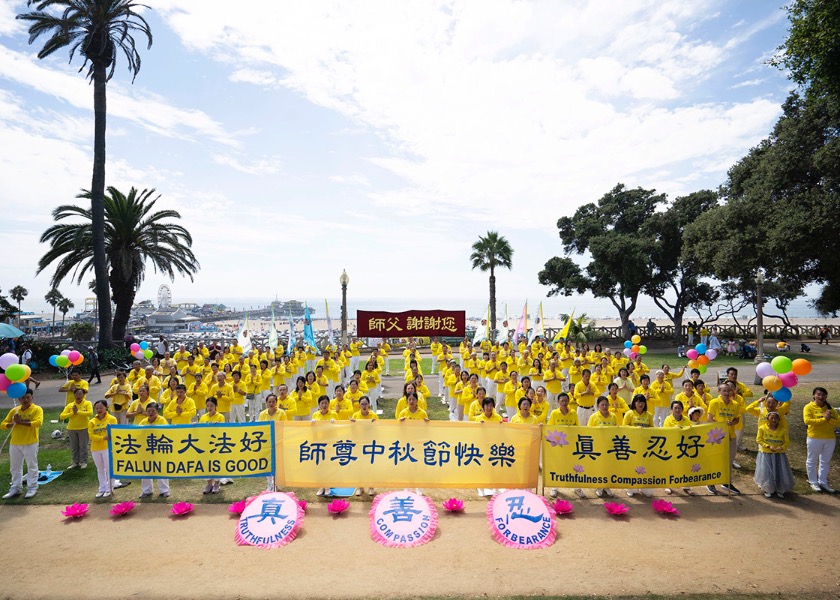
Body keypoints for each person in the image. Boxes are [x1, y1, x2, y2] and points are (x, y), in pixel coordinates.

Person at [1, 388, 42, 499]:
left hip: (30, 442)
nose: (25, 400)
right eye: (23, 398)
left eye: (28, 397)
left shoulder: (37, 409)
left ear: (32, 398)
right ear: (19, 399)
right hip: (15, 443)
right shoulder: (15, 410)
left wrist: (21, 422)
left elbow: (37, 423)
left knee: (32, 466)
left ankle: (32, 487)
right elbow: (3, 424)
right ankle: (16, 487)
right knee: (15, 467)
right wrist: (11, 423)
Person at [706, 383, 742, 495]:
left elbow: (737, 419)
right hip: (717, 438)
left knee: (729, 461)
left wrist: (732, 423)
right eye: (724, 391)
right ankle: (711, 482)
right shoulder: (714, 403)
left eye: (728, 391)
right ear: (719, 392)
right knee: (715, 460)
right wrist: (721, 425)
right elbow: (709, 419)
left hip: (731, 436)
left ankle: (726, 482)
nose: (726, 393)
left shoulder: (735, 404)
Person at [803, 386, 840, 493]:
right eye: (818, 394)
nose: (821, 397)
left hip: (829, 438)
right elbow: (808, 421)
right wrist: (824, 419)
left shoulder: (830, 409)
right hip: (814, 438)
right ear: (814, 395)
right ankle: (813, 482)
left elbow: (838, 422)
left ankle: (823, 482)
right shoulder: (808, 407)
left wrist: (829, 420)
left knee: (825, 461)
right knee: (812, 461)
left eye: (823, 395)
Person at [754, 412, 794, 499]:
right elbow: (759, 439)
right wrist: (767, 446)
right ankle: (768, 488)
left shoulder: (783, 431)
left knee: (779, 470)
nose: (773, 420)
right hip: (766, 453)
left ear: (778, 420)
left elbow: (786, 442)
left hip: (779, 454)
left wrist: (781, 447)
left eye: (776, 418)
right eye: (771, 418)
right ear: (768, 419)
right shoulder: (762, 428)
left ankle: (779, 488)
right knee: (767, 471)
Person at [663, 400, 695, 496]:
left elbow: (691, 431)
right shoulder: (668, 419)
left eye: (679, 408)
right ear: (672, 409)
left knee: (685, 466)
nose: (677, 410)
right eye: (675, 408)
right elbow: (666, 432)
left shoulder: (686, 420)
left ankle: (686, 487)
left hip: (684, 447)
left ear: (682, 409)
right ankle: (668, 485)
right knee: (671, 467)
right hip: (672, 446)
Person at [138, 403, 170, 499]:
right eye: (149, 411)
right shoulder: (143, 421)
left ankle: (164, 491)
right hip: (146, 449)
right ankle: (146, 490)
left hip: (159, 449)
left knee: (161, 469)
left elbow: (167, 432)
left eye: (153, 411)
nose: (151, 413)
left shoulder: (162, 420)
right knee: (146, 470)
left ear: (157, 411)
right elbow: (136, 433)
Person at [587, 396, 616, 498]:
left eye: (606, 404)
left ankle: (607, 486)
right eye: (602, 404)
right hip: (598, 446)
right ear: (598, 406)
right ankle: (599, 486)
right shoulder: (594, 417)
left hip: (610, 447)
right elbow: (589, 432)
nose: (604, 406)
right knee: (599, 467)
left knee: (608, 467)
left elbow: (617, 430)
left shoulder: (613, 416)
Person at [88, 400, 118, 498]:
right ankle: (102, 488)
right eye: (97, 408)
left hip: (107, 448)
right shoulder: (92, 421)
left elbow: (114, 432)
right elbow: (91, 435)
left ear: (106, 407)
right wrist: (102, 438)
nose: (99, 410)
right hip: (95, 448)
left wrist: (106, 438)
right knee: (100, 469)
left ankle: (110, 488)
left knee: (109, 468)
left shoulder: (112, 419)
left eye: (101, 408)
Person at [60, 387, 93, 470]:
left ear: (83, 395)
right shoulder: (70, 405)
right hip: (72, 428)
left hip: (84, 427)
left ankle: (84, 461)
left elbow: (90, 413)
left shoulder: (87, 403)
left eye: (80, 394)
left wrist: (78, 412)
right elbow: (62, 416)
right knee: (74, 447)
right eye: (76, 394)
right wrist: (72, 413)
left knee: (83, 446)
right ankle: (75, 462)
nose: (78, 396)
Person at [199, 398, 225, 494]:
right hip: (206, 444)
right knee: (206, 464)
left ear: (215, 406)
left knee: (217, 463)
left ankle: (217, 483)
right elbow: (200, 429)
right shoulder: (203, 417)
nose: (209, 408)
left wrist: (218, 426)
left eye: (212, 406)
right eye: (208, 406)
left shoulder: (220, 417)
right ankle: (209, 483)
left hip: (217, 444)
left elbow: (224, 429)